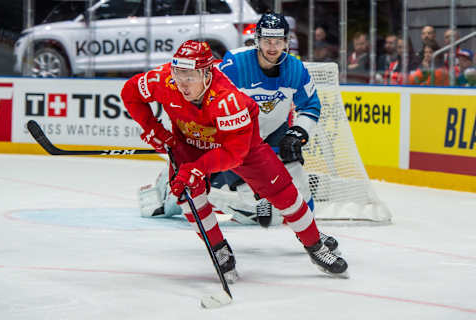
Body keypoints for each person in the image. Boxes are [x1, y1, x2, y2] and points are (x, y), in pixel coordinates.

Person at [121, 40, 349, 282]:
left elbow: (234, 154)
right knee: (188, 195)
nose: (182, 83)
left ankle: (315, 247)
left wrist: (197, 168)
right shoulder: (164, 79)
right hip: (189, 142)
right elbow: (130, 93)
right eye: (179, 74)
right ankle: (219, 249)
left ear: (207, 73)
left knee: (284, 192)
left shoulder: (227, 99)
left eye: (190, 76)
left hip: (240, 145)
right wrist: (154, 129)